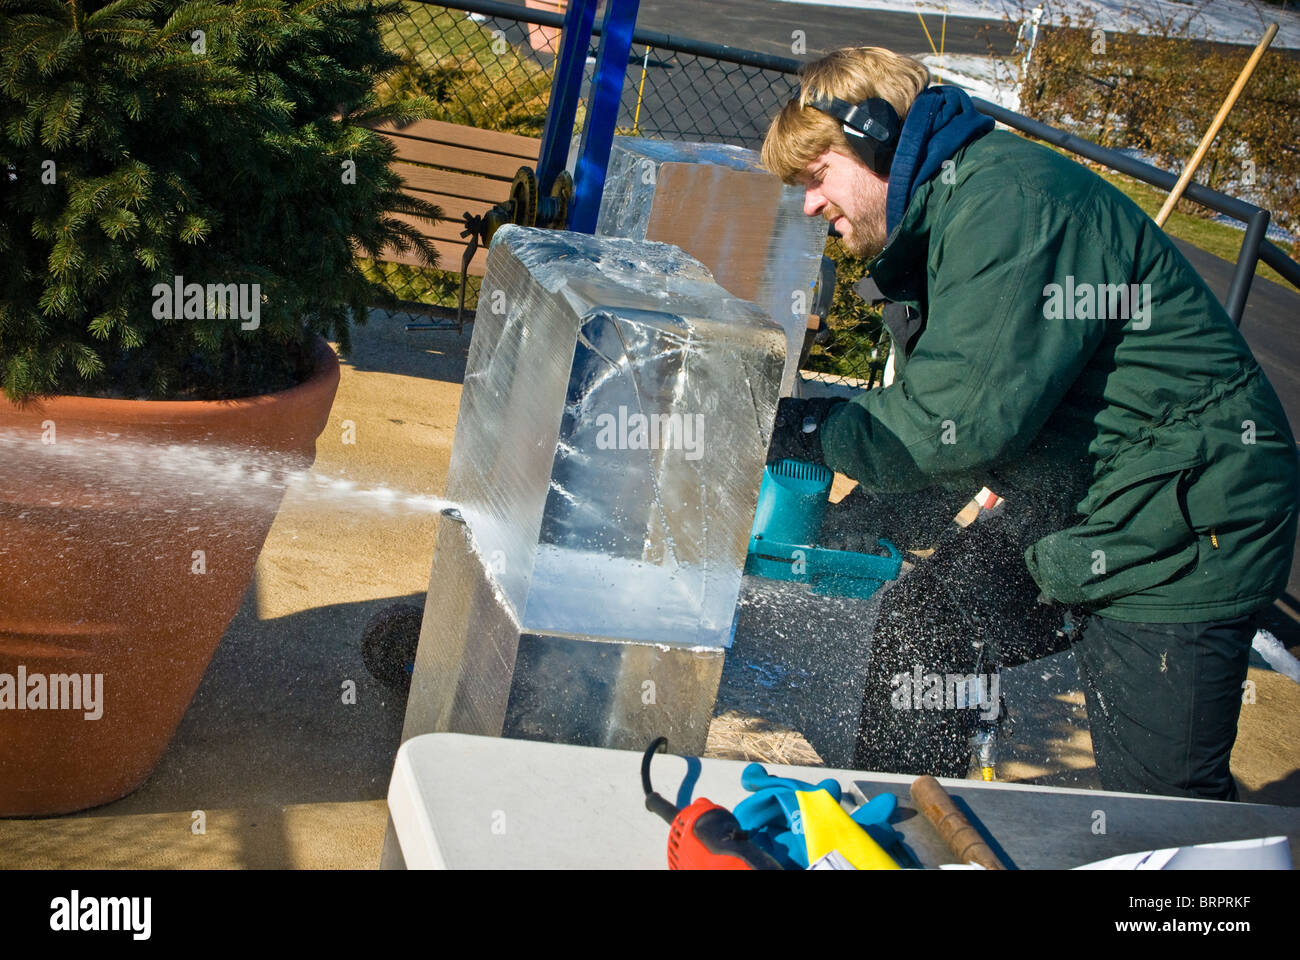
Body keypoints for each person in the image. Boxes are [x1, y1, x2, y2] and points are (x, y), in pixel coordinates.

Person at [762, 47, 1298, 800]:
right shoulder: (955, 214)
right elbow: (966, 424)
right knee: (932, 626)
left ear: (875, 140)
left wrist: (809, 432)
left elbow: (960, 420)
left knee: (1160, 809)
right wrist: (867, 520)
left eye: (816, 178)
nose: (811, 205)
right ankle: (907, 831)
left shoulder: (1010, 208)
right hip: (1089, 495)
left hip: (1187, 517)